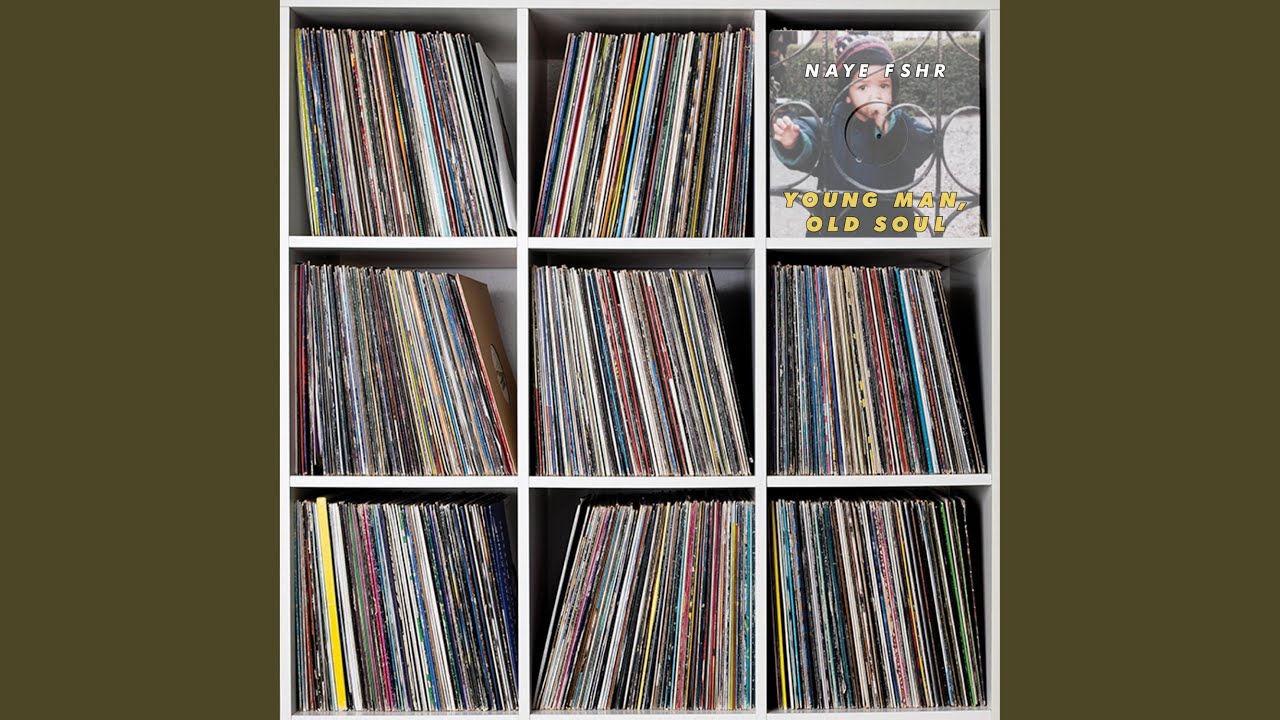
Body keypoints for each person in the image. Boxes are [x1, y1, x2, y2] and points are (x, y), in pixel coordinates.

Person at [771, 34, 935, 237]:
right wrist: (794, 142)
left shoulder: (900, 123)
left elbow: (921, 144)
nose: (875, 95)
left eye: (884, 85)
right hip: (839, 227)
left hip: (890, 227)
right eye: (863, 87)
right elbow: (811, 135)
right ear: (847, 94)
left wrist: (887, 126)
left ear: (893, 90)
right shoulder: (832, 124)